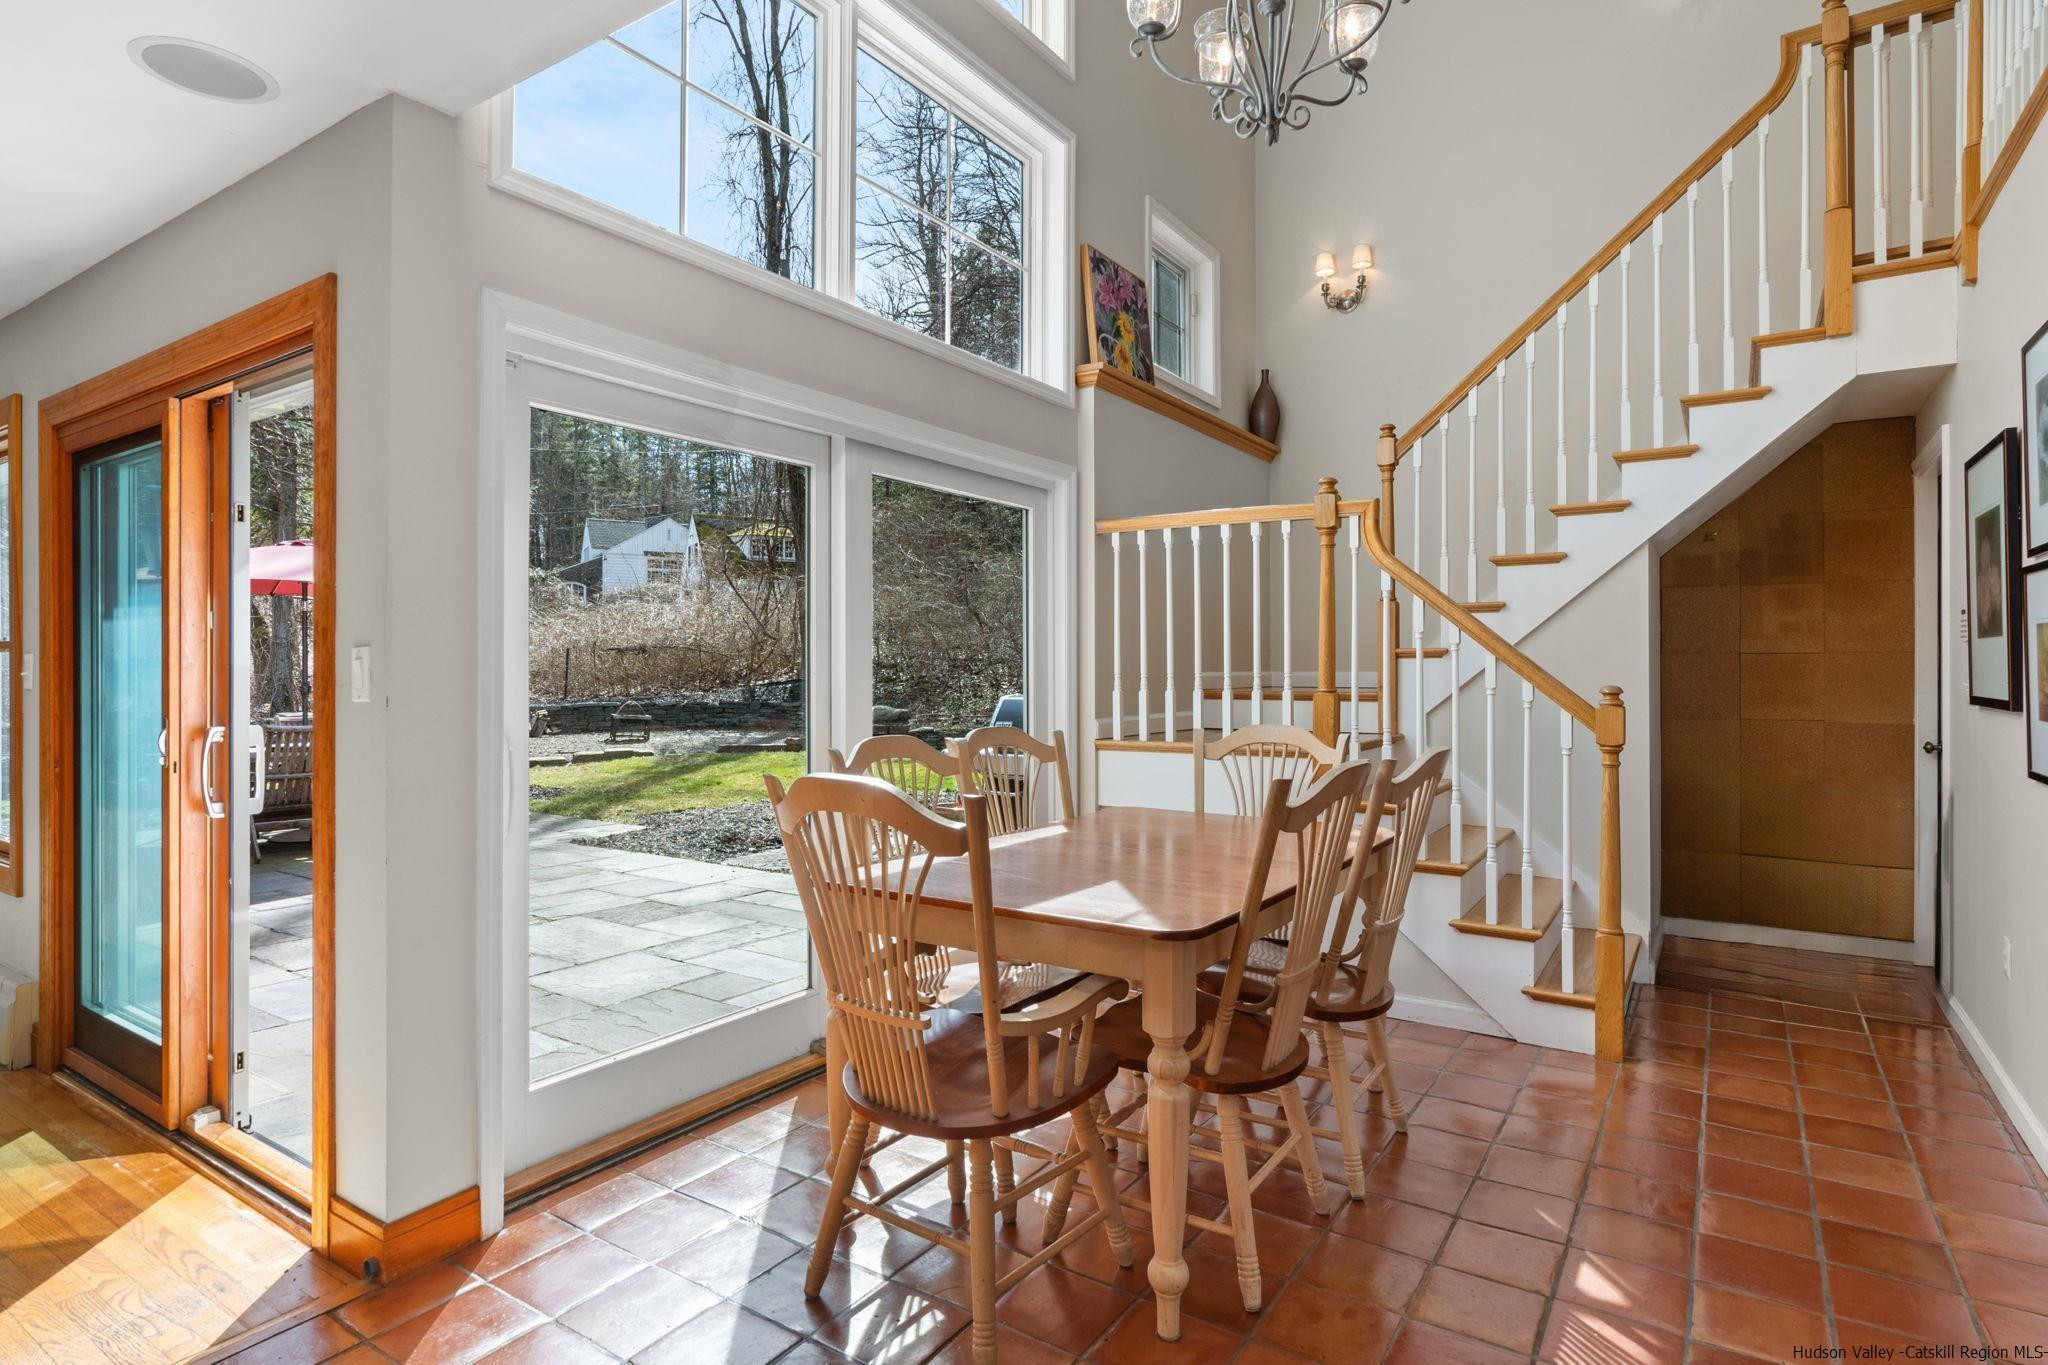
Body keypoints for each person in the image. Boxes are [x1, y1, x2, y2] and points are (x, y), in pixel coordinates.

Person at [1976, 511, 2004, 638]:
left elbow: (1998, 602)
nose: (1985, 555)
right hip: (1982, 626)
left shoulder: (1994, 572)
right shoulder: (1977, 578)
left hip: (1992, 624)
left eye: (1987, 551)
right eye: (1983, 551)